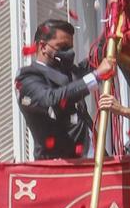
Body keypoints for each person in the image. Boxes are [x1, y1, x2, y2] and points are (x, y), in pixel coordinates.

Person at [15, 19, 113, 160]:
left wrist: (113, 18)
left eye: (70, 47)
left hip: (95, 161)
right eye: (62, 47)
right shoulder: (27, 77)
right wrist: (96, 75)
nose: (68, 53)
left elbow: (99, 55)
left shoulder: (71, 72)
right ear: (43, 46)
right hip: (61, 168)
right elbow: (50, 99)